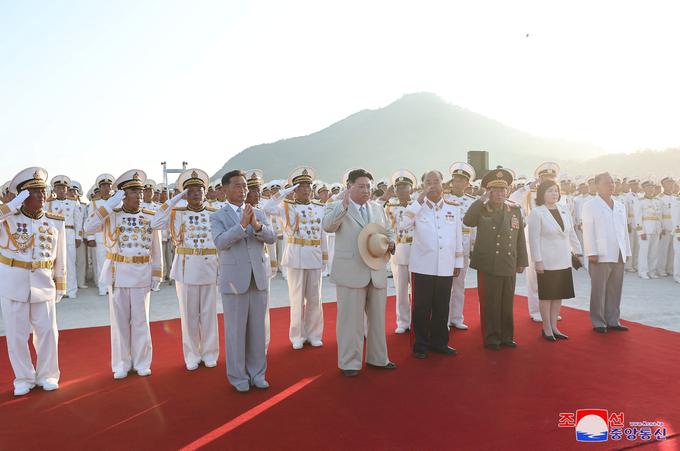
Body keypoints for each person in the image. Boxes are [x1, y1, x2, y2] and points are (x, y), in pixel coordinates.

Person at [83, 170, 164, 379]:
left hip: (142, 273)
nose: (139, 196)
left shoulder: (149, 216)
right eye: (133, 192)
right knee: (119, 322)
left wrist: (157, 275)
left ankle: (142, 362)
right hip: (118, 274)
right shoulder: (111, 215)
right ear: (123, 195)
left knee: (141, 320)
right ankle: (121, 364)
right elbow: (88, 227)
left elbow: (156, 248)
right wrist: (109, 204)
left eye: (140, 191)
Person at [322, 168, 397, 376]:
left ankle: (378, 359)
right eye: (361, 186)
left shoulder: (377, 208)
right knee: (350, 321)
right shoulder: (336, 207)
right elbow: (328, 227)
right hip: (350, 271)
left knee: (378, 319)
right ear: (349, 187)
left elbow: (388, 231)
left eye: (369, 187)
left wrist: (392, 243)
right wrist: (343, 206)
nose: (366, 191)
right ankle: (349, 363)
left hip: (376, 269)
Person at [0, 167, 66, 396]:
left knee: (48, 332)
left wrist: (61, 284)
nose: (42, 195)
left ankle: (47, 374)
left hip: (43, 282)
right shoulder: (7, 219)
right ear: (23, 196)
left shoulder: (55, 222)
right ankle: (24, 377)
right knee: (17, 335)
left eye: (42, 190)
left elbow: (61, 255)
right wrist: (12, 204)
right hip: (13, 284)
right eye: (35, 191)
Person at [210, 169, 276, 392]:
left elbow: (272, 237)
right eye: (237, 186)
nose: (243, 190)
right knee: (236, 332)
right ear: (225, 189)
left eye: (245, 186)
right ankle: (238, 378)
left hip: (257, 278)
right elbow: (220, 242)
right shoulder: (217, 216)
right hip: (234, 280)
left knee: (257, 331)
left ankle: (258, 374)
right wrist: (241, 226)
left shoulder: (258, 212)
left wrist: (256, 226)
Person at [151, 169, 220, 371]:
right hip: (186, 268)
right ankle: (191, 354)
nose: (196, 193)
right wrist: (173, 201)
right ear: (184, 194)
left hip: (209, 265)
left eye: (199, 190)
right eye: (190, 191)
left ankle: (209, 353)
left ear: (205, 192)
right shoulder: (175, 213)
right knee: (189, 315)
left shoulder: (214, 213)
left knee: (208, 313)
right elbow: (155, 222)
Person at [263, 166, 328, 350]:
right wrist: (284, 192)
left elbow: (322, 234)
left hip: (314, 255)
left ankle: (314, 334)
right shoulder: (285, 207)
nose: (306, 189)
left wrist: (324, 257)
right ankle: (297, 335)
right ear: (295, 189)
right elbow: (267, 207)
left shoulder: (319, 208)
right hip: (295, 257)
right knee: (297, 298)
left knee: (315, 298)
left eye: (308, 186)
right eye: (301, 186)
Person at [464, 168, 528, 350]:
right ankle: (492, 337)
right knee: (490, 302)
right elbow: (468, 221)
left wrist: (522, 260)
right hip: (488, 263)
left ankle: (507, 335)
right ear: (489, 191)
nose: (500, 193)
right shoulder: (482, 208)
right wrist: (482, 199)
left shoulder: (514, 210)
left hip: (508, 262)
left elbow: (519, 237)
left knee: (507, 301)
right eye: (496, 190)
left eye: (503, 190)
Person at [402, 170, 464, 358]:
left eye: (436, 181)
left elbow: (458, 237)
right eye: (428, 182)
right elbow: (403, 225)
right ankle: (420, 344)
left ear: (443, 184)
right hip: (422, 266)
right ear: (422, 186)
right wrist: (418, 201)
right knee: (421, 307)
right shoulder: (417, 208)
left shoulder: (453, 208)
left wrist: (458, 261)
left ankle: (439, 342)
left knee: (441, 306)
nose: (432, 185)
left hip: (445, 265)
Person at [527, 180, 583, 341]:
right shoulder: (537, 213)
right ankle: (546, 329)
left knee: (558, 294)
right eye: (550, 191)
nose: (554, 194)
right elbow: (534, 240)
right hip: (547, 261)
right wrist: (537, 260)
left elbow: (571, 233)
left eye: (556, 191)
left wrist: (578, 252)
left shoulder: (564, 210)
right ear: (542, 194)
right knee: (547, 296)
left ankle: (554, 326)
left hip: (563, 259)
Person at [509, 162, 560, 322]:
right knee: (535, 279)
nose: (548, 179)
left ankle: (551, 311)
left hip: (554, 241)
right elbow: (512, 199)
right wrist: (526, 188)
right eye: (545, 177)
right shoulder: (530, 194)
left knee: (553, 276)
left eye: (551, 177)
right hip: (534, 239)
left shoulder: (558, 195)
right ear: (539, 178)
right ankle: (536, 311)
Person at [581, 172, 631, 333]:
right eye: (607, 183)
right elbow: (588, 230)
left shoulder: (620, 205)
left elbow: (624, 231)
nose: (611, 185)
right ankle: (598, 321)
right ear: (597, 185)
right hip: (600, 253)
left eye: (612, 182)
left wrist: (627, 251)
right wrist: (591, 252)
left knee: (615, 288)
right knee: (599, 289)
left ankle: (613, 319)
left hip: (618, 252)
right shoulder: (590, 205)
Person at [381, 170, 417, 334]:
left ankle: (418, 320)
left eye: (405, 186)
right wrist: (384, 196)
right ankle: (402, 321)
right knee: (401, 290)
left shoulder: (418, 205)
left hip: (418, 251)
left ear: (411, 188)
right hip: (399, 251)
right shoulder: (389, 206)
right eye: (398, 187)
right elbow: (374, 209)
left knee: (419, 291)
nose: (401, 190)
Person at [446, 162, 477, 330]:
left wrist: (474, 246)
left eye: (462, 180)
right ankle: (444, 319)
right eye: (456, 180)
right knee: (445, 285)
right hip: (446, 247)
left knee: (459, 284)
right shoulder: (444, 199)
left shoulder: (472, 201)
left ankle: (457, 318)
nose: (458, 183)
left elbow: (474, 227)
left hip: (463, 247)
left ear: (467, 183)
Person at [47, 175, 83, 299]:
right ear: (54, 189)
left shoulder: (74, 202)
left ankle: (71, 290)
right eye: (58, 187)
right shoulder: (49, 202)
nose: (61, 190)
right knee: (55, 263)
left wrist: (79, 236)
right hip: (55, 235)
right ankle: (58, 290)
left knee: (70, 263)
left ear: (67, 189)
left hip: (69, 233)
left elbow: (78, 220)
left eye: (63, 187)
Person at [635, 180, 662, 279]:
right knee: (644, 251)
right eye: (648, 187)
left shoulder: (657, 201)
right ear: (644, 189)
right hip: (645, 230)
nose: (651, 189)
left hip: (656, 229)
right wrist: (640, 231)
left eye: (652, 187)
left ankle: (652, 271)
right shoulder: (640, 201)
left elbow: (660, 217)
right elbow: (637, 218)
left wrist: (660, 228)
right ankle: (642, 272)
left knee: (654, 252)